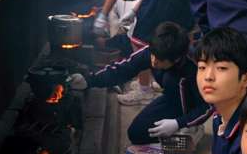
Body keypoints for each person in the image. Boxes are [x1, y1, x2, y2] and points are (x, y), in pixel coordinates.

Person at [73, 23, 212, 141]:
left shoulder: (195, 68)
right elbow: (123, 69)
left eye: (160, 60)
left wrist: (179, 123)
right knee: (136, 134)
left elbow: (209, 105)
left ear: (176, 59)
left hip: (192, 106)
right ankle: (179, 127)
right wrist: (89, 81)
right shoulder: (154, 51)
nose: (154, 62)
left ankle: (193, 127)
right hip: (171, 99)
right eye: (153, 56)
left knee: (172, 80)